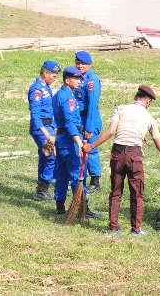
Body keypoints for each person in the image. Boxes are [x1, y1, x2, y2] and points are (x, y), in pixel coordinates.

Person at [83, 85, 160, 236]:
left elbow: (110, 132)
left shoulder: (121, 109)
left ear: (135, 98)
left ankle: (113, 227)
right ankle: (136, 229)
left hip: (117, 153)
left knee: (115, 192)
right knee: (137, 194)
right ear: (148, 102)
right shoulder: (150, 118)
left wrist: (91, 146)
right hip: (134, 156)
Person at [53, 66, 101, 218]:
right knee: (76, 175)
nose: (80, 81)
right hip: (70, 141)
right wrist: (80, 143)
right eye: (76, 79)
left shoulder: (57, 94)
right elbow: (70, 123)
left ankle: (59, 205)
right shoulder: (69, 98)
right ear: (67, 80)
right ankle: (82, 207)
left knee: (61, 174)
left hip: (60, 140)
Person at [28, 60, 61, 201]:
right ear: (46, 73)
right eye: (53, 76)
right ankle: (43, 189)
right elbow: (35, 116)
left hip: (49, 126)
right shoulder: (36, 90)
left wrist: (54, 128)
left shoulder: (46, 87)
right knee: (51, 157)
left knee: (45, 156)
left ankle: (41, 189)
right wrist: (47, 135)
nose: (55, 79)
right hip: (41, 129)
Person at [74, 50, 103, 194]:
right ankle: (80, 177)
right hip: (79, 118)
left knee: (91, 150)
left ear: (89, 64)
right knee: (79, 150)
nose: (80, 66)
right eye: (77, 63)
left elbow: (92, 106)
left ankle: (95, 181)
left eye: (83, 64)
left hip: (89, 119)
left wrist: (89, 128)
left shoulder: (92, 81)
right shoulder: (77, 78)